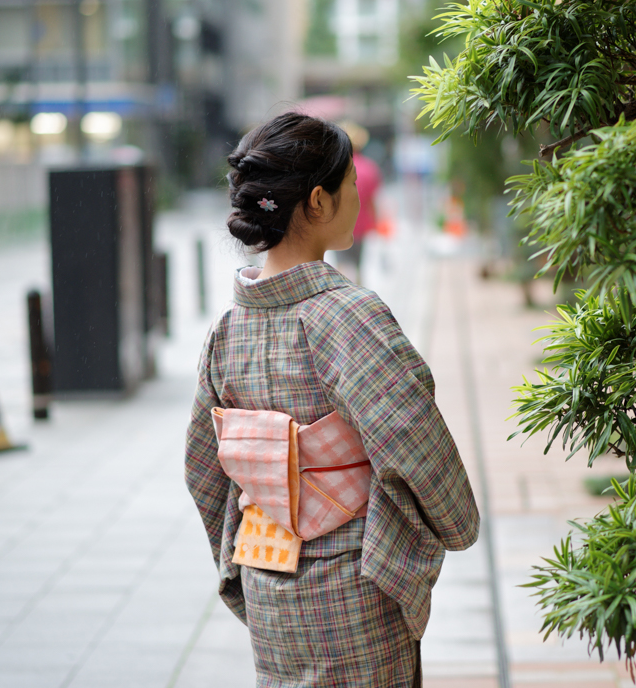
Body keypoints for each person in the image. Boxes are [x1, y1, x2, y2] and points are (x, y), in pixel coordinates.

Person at [184, 112, 479, 687]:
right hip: (353, 584)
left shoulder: (227, 329)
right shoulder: (347, 316)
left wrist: (249, 550)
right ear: (318, 202)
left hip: (267, 582)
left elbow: (203, 469)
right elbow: (412, 440)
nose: (359, 199)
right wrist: (457, 522)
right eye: (350, 186)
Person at [334, 121, 381, 283]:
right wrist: (376, 222)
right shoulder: (369, 167)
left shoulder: (335, 167)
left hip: (338, 223)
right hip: (361, 224)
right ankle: (359, 291)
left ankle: (341, 292)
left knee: (342, 263)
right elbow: (372, 200)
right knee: (359, 264)